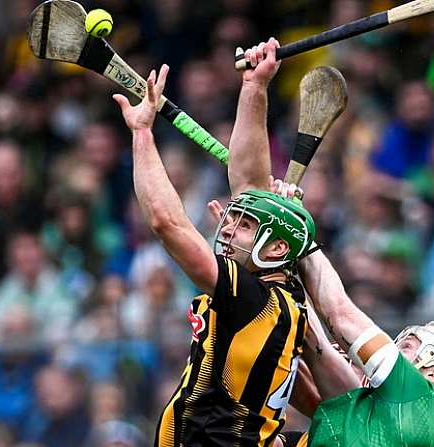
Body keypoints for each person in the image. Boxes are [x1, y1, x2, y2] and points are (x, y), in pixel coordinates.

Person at [221, 42, 434, 445]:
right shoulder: (374, 414)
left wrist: (300, 239)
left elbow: (339, 314)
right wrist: (280, 249)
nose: (395, 346)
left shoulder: (418, 406)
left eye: (410, 346)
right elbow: (314, 342)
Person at [112, 38, 316, 446]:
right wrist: (254, 88)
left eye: (241, 224)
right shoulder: (289, 300)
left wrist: (141, 134)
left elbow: (166, 222)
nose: (225, 225)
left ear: (276, 250)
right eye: (231, 217)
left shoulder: (252, 297)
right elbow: (250, 185)